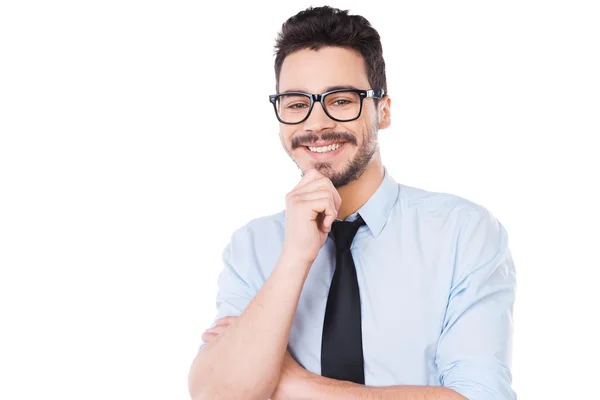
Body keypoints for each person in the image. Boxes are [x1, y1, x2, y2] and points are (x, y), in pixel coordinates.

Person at [188, 6, 516, 400]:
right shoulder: (252, 247)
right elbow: (217, 394)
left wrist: (296, 383)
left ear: (384, 110)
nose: (315, 123)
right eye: (295, 103)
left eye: (341, 100)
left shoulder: (463, 233)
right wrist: (295, 256)